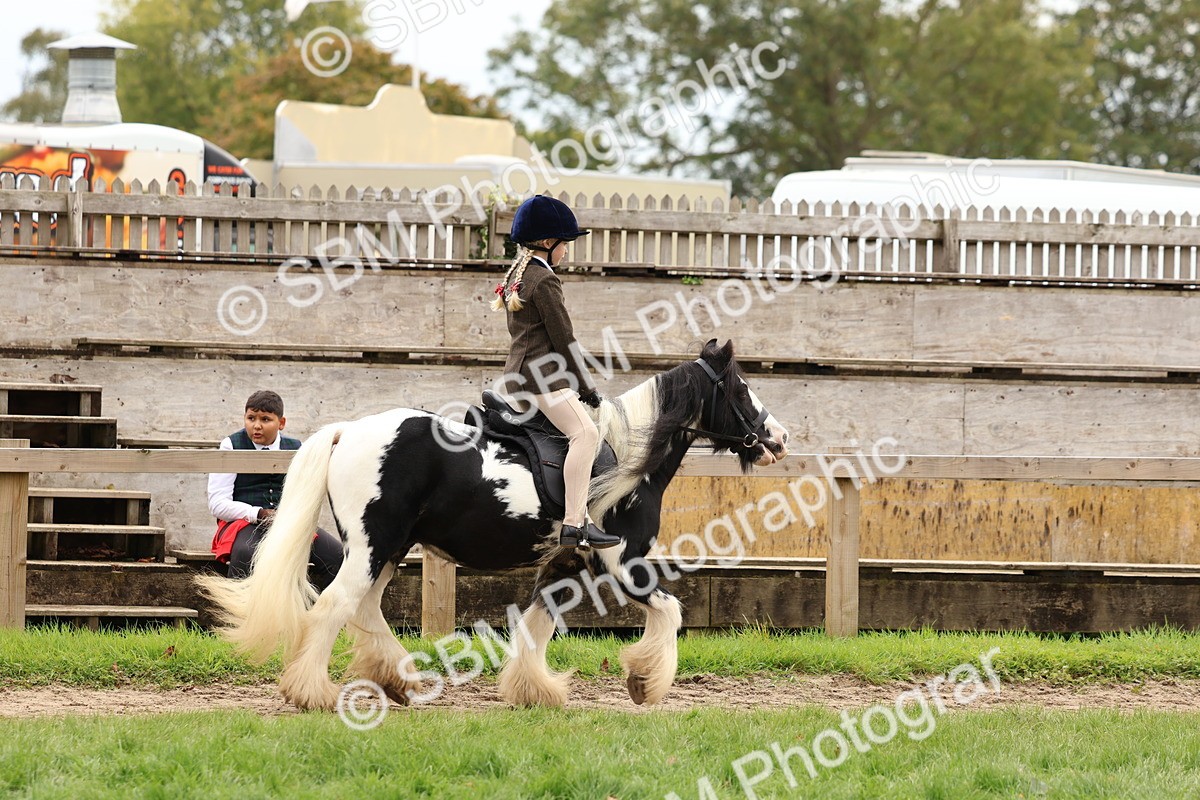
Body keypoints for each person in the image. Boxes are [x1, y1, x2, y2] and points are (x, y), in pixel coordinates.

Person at [493, 195, 620, 549]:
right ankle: (574, 524)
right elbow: (565, 341)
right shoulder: (545, 281)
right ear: (548, 244)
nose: (566, 252)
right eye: (565, 245)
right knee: (587, 434)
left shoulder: (519, 273)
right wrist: (586, 386)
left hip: (518, 375)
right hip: (542, 377)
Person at [207, 390, 343, 589]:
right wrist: (259, 513)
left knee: (337, 556)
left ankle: (317, 616)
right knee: (247, 554)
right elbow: (217, 504)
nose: (257, 426)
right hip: (243, 523)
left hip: (285, 522)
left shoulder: (296, 447)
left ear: (281, 423)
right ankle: (241, 616)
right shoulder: (231, 445)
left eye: (265, 419)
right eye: (251, 418)